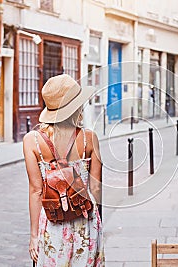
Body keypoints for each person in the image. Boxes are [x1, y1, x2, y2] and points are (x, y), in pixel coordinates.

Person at [23, 74, 104, 266]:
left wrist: (34, 236)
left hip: (52, 222)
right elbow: (96, 188)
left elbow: (36, 191)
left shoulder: (32, 140)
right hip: (85, 220)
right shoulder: (89, 138)